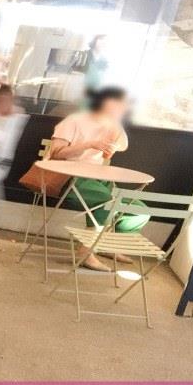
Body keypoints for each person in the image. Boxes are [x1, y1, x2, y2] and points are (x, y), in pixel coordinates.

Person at [49, 86, 149, 272]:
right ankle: (85, 252)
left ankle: (108, 246)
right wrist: (90, 144)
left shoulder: (112, 125)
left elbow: (123, 145)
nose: (122, 109)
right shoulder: (74, 121)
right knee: (107, 202)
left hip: (97, 178)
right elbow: (56, 153)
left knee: (139, 210)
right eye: (118, 104)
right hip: (68, 177)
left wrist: (115, 127)